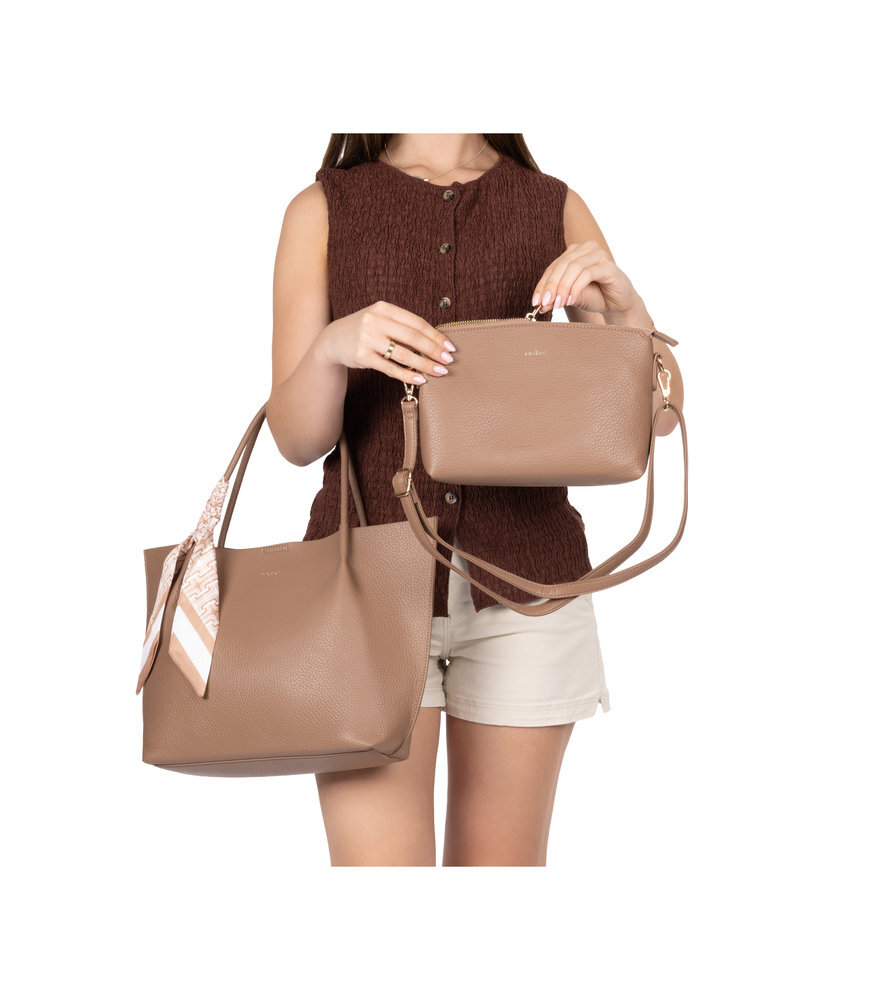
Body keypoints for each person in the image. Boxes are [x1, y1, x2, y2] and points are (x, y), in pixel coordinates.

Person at [265, 134, 658, 867]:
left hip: (528, 591)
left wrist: (628, 308)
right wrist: (332, 349)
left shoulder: (554, 206)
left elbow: (649, 426)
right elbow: (295, 439)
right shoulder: (322, 209)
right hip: (362, 591)